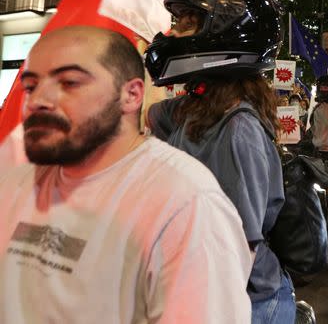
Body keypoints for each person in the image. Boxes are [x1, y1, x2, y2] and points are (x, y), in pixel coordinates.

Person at [0, 26, 252, 323]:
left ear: (131, 95)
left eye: (69, 82)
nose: (37, 100)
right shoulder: (15, 182)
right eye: (30, 86)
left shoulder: (186, 203)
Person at [144, 0, 295, 323]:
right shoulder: (195, 108)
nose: (171, 34)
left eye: (184, 24)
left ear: (221, 33)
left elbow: (238, 242)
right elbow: (143, 113)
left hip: (247, 302)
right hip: (201, 290)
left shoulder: (238, 128)